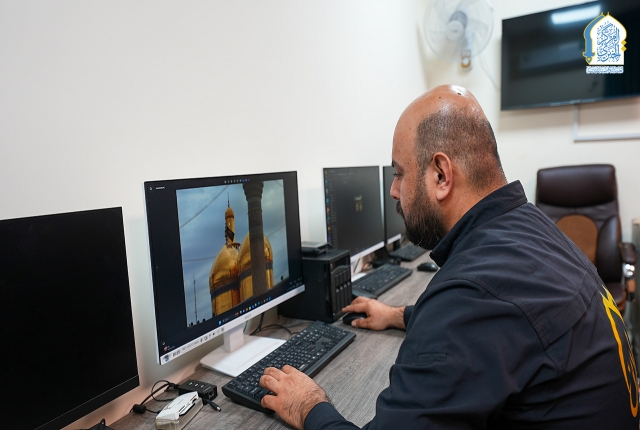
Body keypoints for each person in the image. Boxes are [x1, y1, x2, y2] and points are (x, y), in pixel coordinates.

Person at [258, 85, 639, 429]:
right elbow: (500, 327)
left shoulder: (474, 292)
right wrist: (396, 315)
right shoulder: (529, 226)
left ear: (441, 175)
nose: (393, 191)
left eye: (399, 173)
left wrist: (309, 406)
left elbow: (477, 313)